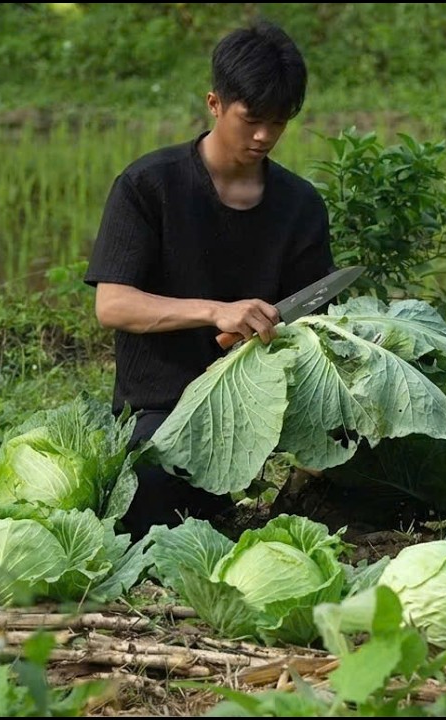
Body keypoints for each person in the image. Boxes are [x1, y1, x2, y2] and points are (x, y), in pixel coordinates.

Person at [84, 19, 336, 541]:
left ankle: (296, 495)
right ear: (215, 104)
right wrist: (214, 311)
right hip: (167, 410)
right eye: (252, 119)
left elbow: (315, 323)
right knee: (148, 495)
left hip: (267, 414)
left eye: (280, 122)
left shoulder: (300, 205)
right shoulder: (149, 185)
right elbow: (112, 304)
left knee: (373, 458)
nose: (265, 135)